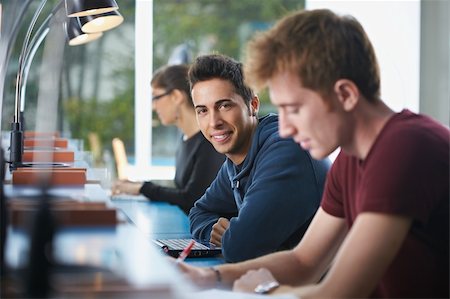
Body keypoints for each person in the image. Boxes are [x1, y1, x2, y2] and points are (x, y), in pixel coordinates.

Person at [178, 9, 449, 298]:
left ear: (345, 94)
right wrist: (208, 277)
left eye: (294, 109)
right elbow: (303, 261)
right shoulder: (350, 159)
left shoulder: (404, 148)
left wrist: (264, 290)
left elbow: (340, 293)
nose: (286, 127)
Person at [187, 54, 331, 263]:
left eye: (224, 105)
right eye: (202, 110)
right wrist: (215, 230)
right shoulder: (236, 158)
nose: (214, 122)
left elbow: (242, 247)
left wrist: (232, 235)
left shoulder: (286, 149)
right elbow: (200, 211)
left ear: (253, 105)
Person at [111, 64, 225, 214]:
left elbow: (193, 199)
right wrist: (140, 186)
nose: (153, 106)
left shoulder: (210, 142)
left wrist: (143, 188)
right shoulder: (185, 138)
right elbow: (183, 191)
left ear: (177, 97)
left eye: (156, 97)